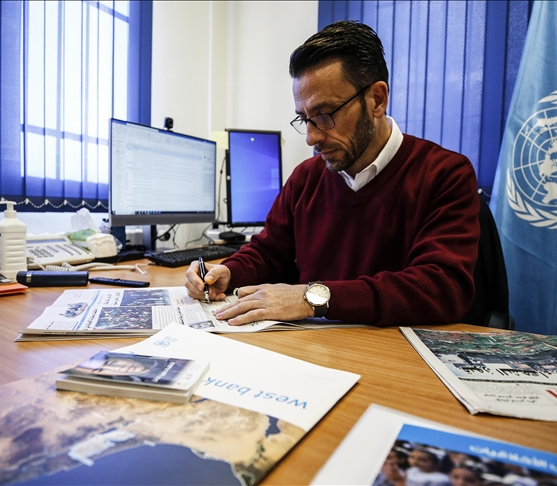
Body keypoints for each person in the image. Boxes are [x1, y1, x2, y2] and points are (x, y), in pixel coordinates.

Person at [185, 20, 480, 327]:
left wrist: (311, 299)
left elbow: (441, 287)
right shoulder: (306, 178)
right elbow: (268, 252)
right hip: (315, 346)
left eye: (325, 115)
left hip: (394, 350)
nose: (311, 138)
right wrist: (228, 271)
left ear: (377, 100)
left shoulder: (444, 174)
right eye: (304, 119)